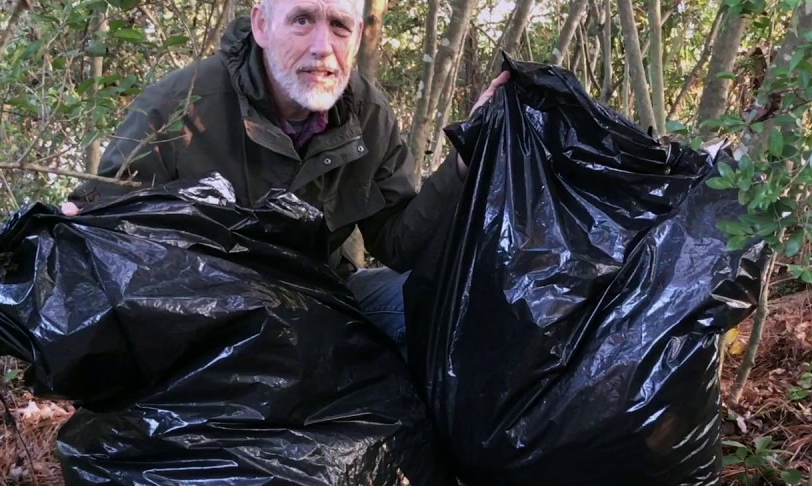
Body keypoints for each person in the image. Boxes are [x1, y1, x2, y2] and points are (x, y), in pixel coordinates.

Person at [63, 0, 508, 351]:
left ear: (356, 38)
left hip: (324, 300)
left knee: (454, 307)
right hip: (206, 317)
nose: (322, 46)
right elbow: (113, 217)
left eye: (339, 25)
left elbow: (398, 242)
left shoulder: (368, 113)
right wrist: (77, 225)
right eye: (301, 20)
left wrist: (464, 161)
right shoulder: (182, 104)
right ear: (260, 25)